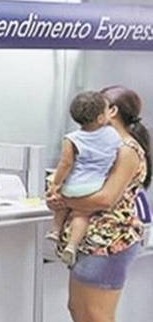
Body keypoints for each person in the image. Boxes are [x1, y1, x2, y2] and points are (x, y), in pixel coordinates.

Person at [50, 85, 149, 322]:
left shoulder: (127, 151)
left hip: (110, 243)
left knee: (99, 318)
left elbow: (105, 199)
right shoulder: (100, 146)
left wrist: (64, 200)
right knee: (78, 309)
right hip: (89, 242)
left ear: (112, 112)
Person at [48, 91, 122, 267]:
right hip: (95, 185)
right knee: (81, 214)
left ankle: (55, 230)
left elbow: (65, 163)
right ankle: (72, 246)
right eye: (107, 110)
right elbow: (117, 154)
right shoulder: (113, 135)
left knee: (62, 202)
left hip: (73, 184)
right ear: (100, 118)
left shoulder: (72, 139)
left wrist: (56, 184)